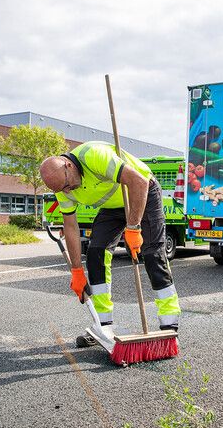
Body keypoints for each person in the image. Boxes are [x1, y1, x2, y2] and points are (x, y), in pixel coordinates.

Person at [40, 141, 181, 339]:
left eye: (66, 185)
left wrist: (133, 228)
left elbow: (138, 182)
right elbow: (70, 227)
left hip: (142, 191)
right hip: (113, 205)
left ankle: (169, 323)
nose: (67, 191)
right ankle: (103, 325)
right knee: (95, 253)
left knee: (152, 253)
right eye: (61, 190)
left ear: (68, 165)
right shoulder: (63, 188)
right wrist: (76, 270)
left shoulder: (94, 156)